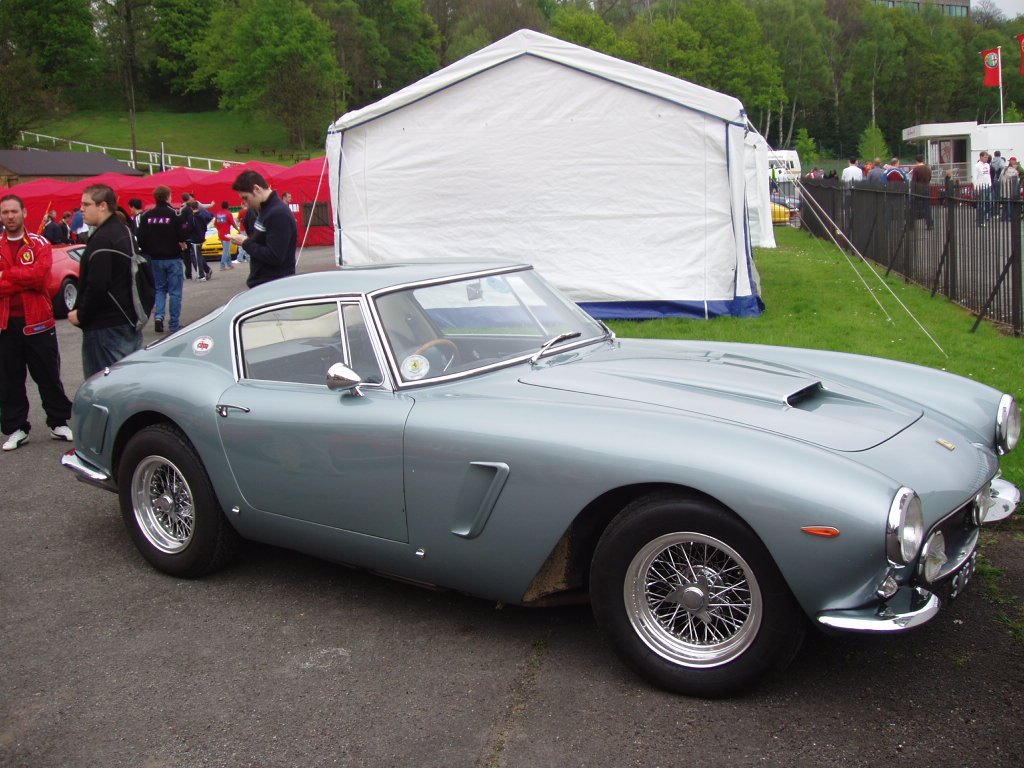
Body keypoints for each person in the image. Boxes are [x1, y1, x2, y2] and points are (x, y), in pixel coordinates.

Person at [0, 195, 74, 451]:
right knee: (10, 379)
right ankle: (16, 428)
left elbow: (41, 278)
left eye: (14, 211)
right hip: (6, 323)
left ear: (23, 213)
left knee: (48, 375)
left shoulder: (39, 243)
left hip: (39, 322)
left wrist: (6, 275)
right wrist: (22, 278)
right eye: (5, 212)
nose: (10, 216)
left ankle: (58, 422)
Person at [68, 184, 146, 377]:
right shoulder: (123, 230)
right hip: (126, 319)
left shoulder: (104, 239)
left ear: (102, 205)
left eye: (86, 204)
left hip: (106, 327)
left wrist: (81, 314)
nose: (82, 209)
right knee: (126, 382)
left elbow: (97, 285)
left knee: (103, 389)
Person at [229, 170, 297, 288]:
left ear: (257, 189)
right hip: (266, 283)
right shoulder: (265, 210)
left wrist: (245, 242)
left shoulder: (278, 213)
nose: (246, 203)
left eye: (246, 197)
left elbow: (275, 256)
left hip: (274, 285)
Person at [138, 185, 187, 333]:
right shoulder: (175, 214)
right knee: (175, 292)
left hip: (155, 258)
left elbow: (140, 238)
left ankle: (158, 316)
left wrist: (149, 250)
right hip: (173, 257)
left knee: (159, 289)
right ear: (168, 197)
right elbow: (182, 235)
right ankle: (173, 324)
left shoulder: (147, 216)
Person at [184, 199, 213, 281]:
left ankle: (201, 275)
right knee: (198, 255)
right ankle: (206, 270)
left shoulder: (191, 217)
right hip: (201, 237)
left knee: (197, 257)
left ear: (191, 208)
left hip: (195, 238)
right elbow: (205, 226)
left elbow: (190, 228)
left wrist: (189, 233)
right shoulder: (202, 215)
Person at [910, 155, 933, 229]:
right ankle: (929, 224)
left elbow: (914, 181)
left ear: (916, 161)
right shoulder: (928, 168)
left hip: (918, 190)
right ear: (922, 160)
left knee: (914, 207)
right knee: (927, 207)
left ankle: (911, 225)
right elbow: (929, 178)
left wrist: (913, 192)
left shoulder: (916, 169)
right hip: (926, 189)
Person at [214, 201, 236, 271]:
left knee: (227, 249)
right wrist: (238, 230)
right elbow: (233, 223)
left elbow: (215, 224)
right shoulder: (228, 214)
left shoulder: (218, 214)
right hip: (226, 234)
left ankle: (229, 264)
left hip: (220, 233)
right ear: (228, 206)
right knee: (226, 251)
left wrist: (219, 230)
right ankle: (222, 265)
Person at [975, 151, 993, 227]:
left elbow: (988, 176)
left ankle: (985, 217)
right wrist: (977, 188)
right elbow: (975, 177)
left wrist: (990, 184)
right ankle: (980, 221)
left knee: (988, 203)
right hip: (981, 187)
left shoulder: (988, 165)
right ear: (981, 157)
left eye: (987, 157)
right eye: (985, 157)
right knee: (981, 205)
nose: (986, 159)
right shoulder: (977, 166)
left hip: (988, 186)